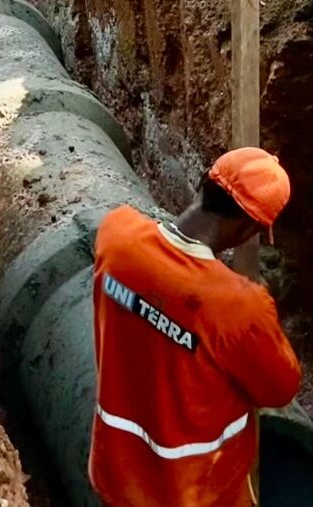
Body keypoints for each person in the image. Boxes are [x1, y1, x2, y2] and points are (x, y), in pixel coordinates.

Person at [89, 147, 302, 507]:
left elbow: (162, 296)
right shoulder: (240, 306)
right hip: (196, 492)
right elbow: (280, 388)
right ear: (248, 228)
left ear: (204, 180)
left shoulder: (116, 233)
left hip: (116, 475)